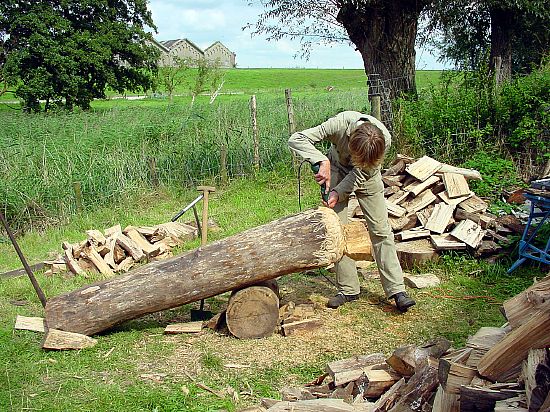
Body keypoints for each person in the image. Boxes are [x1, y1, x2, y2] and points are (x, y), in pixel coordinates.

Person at [288, 110, 416, 312]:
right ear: (350, 144)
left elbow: (361, 173)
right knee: (338, 230)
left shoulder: (384, 140)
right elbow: (297, 138)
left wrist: (338, 192)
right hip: (337, 169)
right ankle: (348, 289)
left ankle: (397, 290)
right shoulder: (338, 125)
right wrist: (321, 160)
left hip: (367, 176)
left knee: (381, 231)